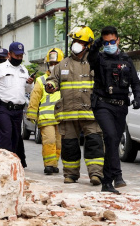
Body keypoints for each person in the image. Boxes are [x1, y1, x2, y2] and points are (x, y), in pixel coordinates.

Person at [44, 25, 105, 186]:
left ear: (88, 45)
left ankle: (96, 174)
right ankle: (70, 175)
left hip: (90, 113)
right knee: (69, 146)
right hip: (68, 113)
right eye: (74, 41)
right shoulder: (62, 65)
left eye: (79, 41)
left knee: (94, 144)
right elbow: (52, 80)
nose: (75, 44)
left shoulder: (96, 63)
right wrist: (50, 85)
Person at [88, 26, 140, 194]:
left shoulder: (126, 60)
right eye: (106, 42)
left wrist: (138, 97)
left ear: (118, 40)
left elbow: (135, 82)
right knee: (110, 137)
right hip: (103, 105)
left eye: (112, 41)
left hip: (121, 106)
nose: (110, 45)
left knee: (114, 141)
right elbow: (90, 57)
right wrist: (97, 44)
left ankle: (112, 179)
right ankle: (112, 178)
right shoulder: (99, 58)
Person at [0, 42, 34, 167]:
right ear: (9, 54)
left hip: (18, 110)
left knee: (15, 136)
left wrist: (30, 83)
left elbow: (27, 90)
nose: (19, 58)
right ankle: (4, 163)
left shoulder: (23, 70)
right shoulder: (0, 68)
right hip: (3, 108)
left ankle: (12, 162)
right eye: (17, 55)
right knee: (6, 133)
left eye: (21, 56)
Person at [26, 48, 63, 175]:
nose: (53, 66)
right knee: (49, 141)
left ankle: (54, 164)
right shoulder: (41, 80)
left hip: (61, 118)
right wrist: (31, 114)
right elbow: (35, 97)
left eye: (56, 63)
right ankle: (49, 165)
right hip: (46, 118)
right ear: (48, 64)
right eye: (51, 64)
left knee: (58, 143)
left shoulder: (65, 80)